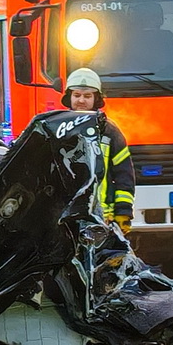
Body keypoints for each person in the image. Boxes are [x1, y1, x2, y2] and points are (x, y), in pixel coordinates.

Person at [62, 67, 135, 233]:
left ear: (96, 98)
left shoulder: (109, 131)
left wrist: (123, 212)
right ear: (69, 97)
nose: (81, 100)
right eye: (77, 95)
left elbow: (124, 175)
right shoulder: (58, 129)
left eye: (87, 96)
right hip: (64, 216)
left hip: (102, 219)